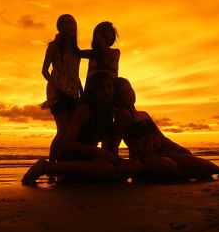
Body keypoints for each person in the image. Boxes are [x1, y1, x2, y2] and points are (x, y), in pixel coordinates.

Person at [112, 77, 219, 180]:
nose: (129, 94)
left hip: (163, 151)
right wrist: (121, 166)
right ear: (118, 98)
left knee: (187, 159)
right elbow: (114, 143)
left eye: (130, 89)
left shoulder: (144, 114)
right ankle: (193, 173)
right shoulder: (123, 116)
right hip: (144, 159)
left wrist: (178, 147)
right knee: (169, 166)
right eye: (123, 93)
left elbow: (161, 138)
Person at [22, 72, 140, 185]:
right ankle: (45, 167)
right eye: (101, 88)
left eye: (109, 87)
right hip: (73, 157)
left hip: (91, 158)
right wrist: (97, 151)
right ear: (94, 91)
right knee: (105, 167)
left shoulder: (110, 112)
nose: (106, 91)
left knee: (135, 165)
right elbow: (67, 144)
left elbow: (110, 144)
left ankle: (98, 177)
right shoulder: (85, 109)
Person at [41, 14, 84, 162]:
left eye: (73, 23)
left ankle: (64, 162)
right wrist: (57, 87)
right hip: (59, 92)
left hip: (73, 92)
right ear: (61, 27)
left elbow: (75, 74)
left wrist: (82, 92)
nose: (71, 26)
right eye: (67, 23)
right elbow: (44, 71)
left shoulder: (75, 49)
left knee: (72, 132)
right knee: (63, 130)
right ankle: (52, 165)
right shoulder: (54, 46)